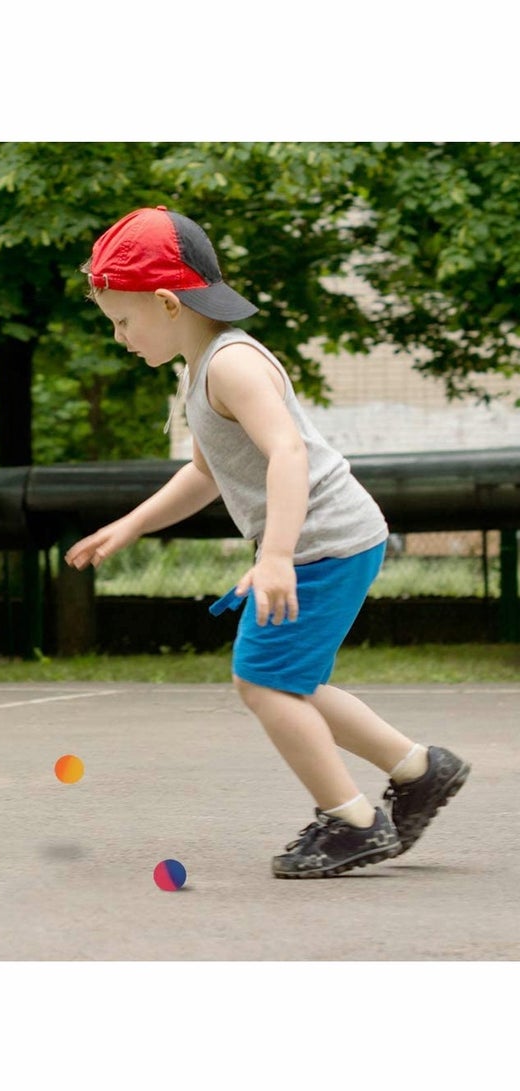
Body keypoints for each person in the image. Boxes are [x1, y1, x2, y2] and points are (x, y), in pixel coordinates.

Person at [64, 205, 470, 879]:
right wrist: (133, 521)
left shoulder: (232, 364)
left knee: (261, 678)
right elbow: (204, 473)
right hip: (325, 539)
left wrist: (275, 554)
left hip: (321, 542)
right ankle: (420, 769)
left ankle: (352, 820)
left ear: (167, 303)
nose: (119, 337)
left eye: (122, 320)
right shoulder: (197, 368)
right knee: (292, 680)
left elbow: (286, 451)